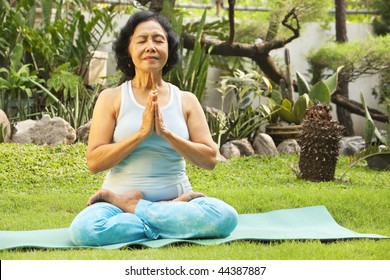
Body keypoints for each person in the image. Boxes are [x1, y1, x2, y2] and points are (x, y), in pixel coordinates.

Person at [69, 11, 238, 246]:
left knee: (226, 218)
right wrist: (141, 134)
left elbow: (209, 160)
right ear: (128, 49)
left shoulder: (186, 100)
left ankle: (137, 209)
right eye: (142, 40)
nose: (151, 47)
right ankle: (164, 221)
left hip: (178, 202)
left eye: (158, 40)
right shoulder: (112, 98)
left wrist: (167, 134)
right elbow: (95, 161)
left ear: (168, 50)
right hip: (115, 205)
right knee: (85, 231)